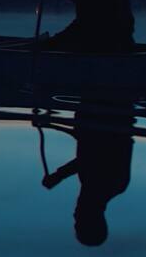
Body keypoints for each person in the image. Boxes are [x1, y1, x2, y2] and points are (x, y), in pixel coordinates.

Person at [39, 96, 136, 247]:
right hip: (107, 108)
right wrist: (59, 176)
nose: (74, 214)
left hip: (97, 111)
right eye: (78, 221)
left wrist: (52, 124)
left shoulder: (100, 185)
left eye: (75, 221)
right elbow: (92, 154)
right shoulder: (111, 185)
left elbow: (87, 148)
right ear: (91, 220)